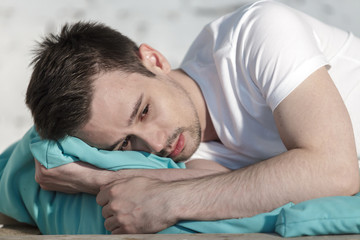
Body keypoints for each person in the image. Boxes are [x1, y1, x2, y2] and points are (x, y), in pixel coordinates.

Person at [26, 0, 360, 234]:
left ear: (154, 60)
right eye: (125, 143)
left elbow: (335, 171)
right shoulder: (185, 152)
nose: (156, 144)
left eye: (144, 111)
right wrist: (95, 179)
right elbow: (230, 190)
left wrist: (168, 202)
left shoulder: (257, 33)